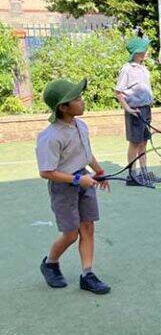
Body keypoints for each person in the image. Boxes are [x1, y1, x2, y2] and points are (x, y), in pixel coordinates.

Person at [37, 78, 111, 294]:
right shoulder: (50, 136)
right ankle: (50, 263)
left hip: (84, 180)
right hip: (64, 186)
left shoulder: (81, 125)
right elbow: (46, 172)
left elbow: (86, 154)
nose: (82, 101)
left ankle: (87, 274)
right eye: (77, 98)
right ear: (63, 107)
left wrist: (99, 172)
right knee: (71, 234)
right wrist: (78, 180)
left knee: (88, 228)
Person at [115, 33, 154, 185]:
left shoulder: (143, 68)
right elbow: (118, 92)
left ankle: (144, 173)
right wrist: (128, 109)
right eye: (145, 49)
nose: (147, 51)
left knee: (144, 142)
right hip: (135, 111)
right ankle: (132, 176)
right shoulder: (127, 69)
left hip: (146, 109)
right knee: (135, 143)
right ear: (138, 53)